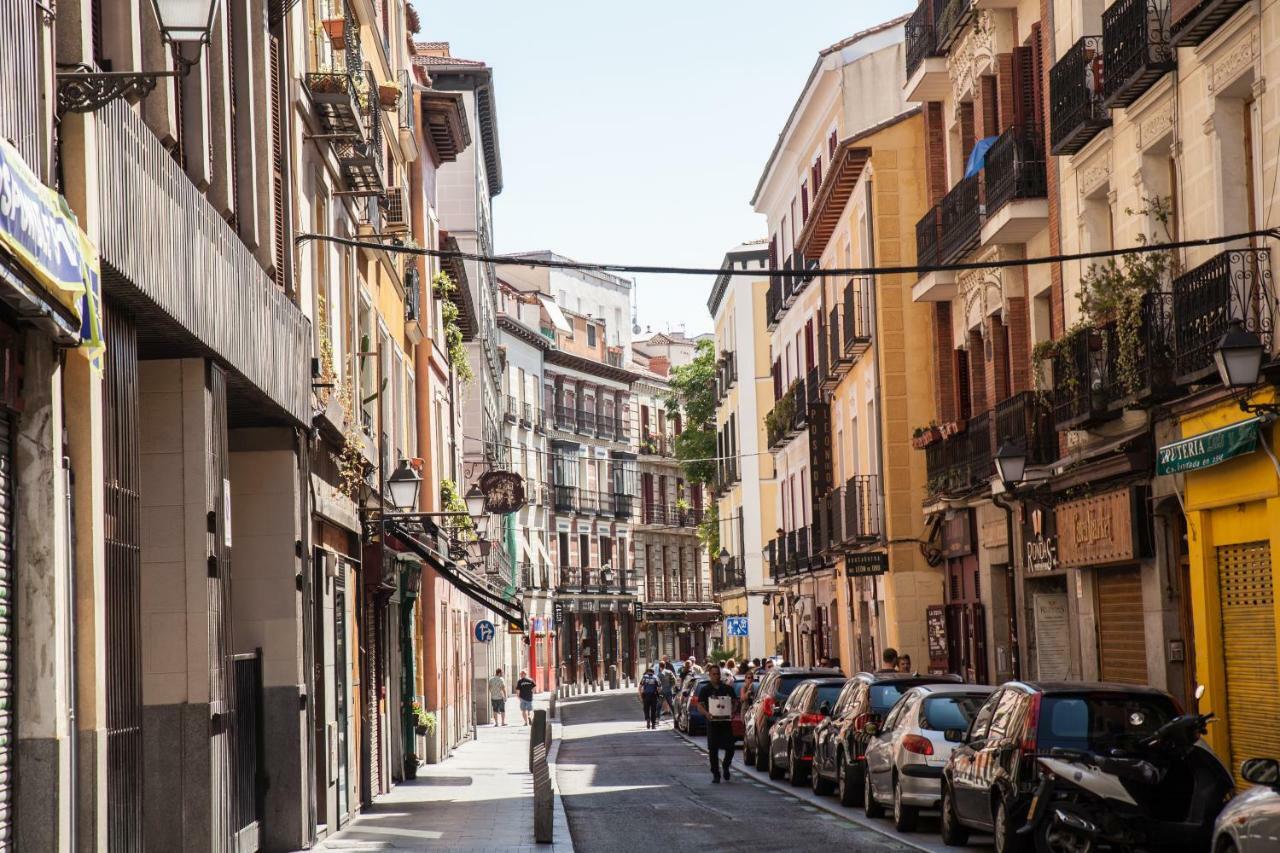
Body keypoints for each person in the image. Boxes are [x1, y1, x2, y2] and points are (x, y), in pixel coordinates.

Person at [696, 663, 739, 783]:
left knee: (730, 748)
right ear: (709, 675)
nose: (716, 676)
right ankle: (716, 774)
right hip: (712, 724)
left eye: (718, 674)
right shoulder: (705, 690)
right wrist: (706, 714)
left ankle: (725, 765)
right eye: (714, 674)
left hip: (725, 723)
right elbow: (700, 705)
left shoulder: (727, 689)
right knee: (713, 750)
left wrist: (733, 711)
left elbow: (735, 702)